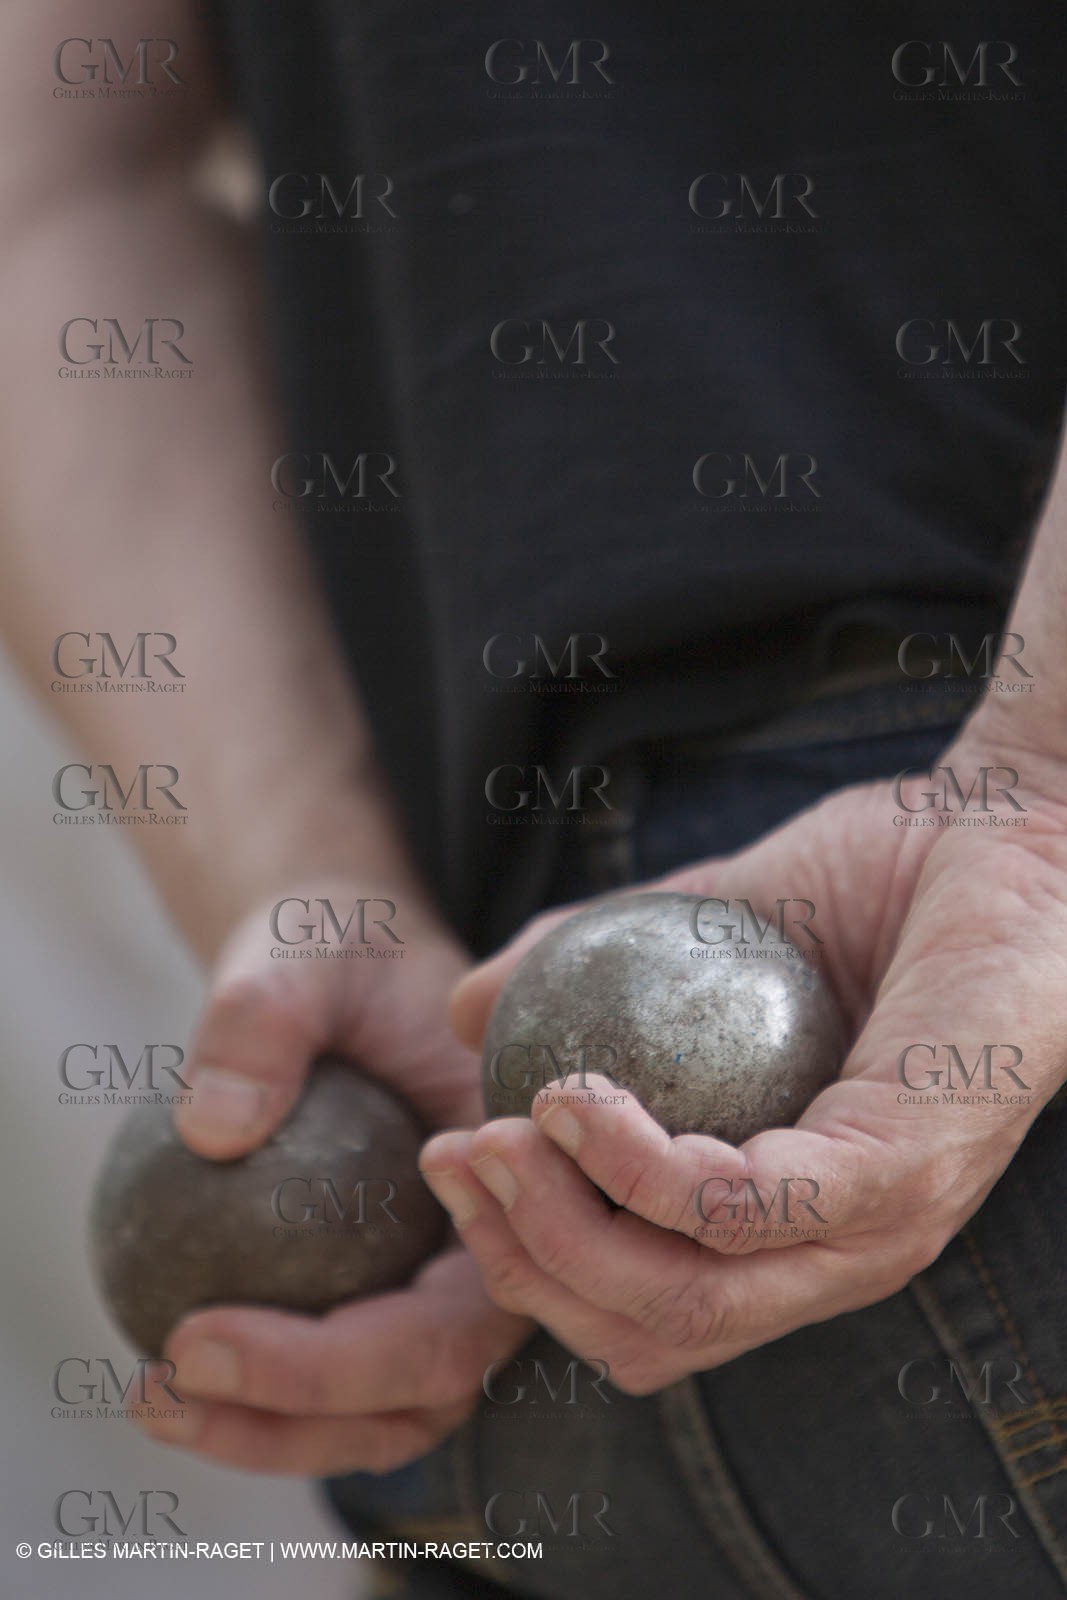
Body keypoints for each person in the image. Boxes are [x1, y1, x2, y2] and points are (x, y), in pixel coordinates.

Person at [4, 2, 1066, 1595]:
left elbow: (53, 199)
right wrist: (1038, 801)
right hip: (702, 1048)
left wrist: (304, 874)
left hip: (508, 1130)